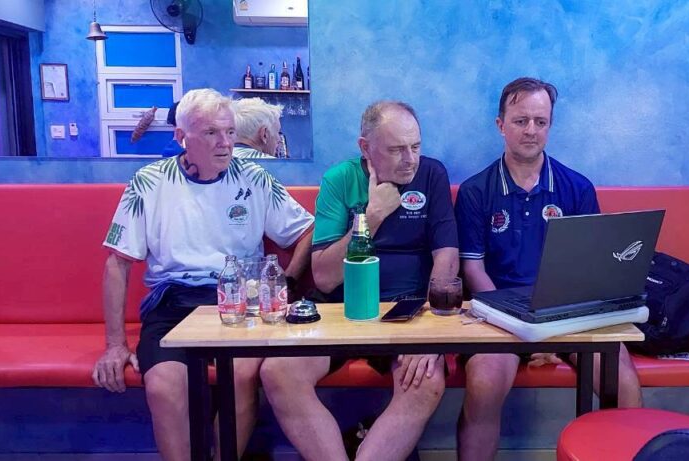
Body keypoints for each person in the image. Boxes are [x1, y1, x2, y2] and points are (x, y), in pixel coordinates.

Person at [91, 88, 314, 460]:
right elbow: (118, 262)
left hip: (241, 302)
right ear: (181, 137)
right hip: (173, 303)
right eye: (211, 133)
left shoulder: (254, 177)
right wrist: (115, 345)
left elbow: (307, 230)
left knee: (242, 375)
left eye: (229, 131)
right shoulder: (149, 182)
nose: (225, 143)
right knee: (163, 386)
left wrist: (287, 283)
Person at [454, 77, 644, 460]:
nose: (531, 130)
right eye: (520, 120)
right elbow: (473, 270)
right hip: (498, 320)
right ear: (501, 125)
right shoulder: (476, 191)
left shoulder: (577, 188)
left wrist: (551, 331)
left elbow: (591, 270)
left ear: (550, 126)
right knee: (484, 385)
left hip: (566, 316)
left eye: (540, 122)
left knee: (623, 383)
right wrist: (523, 327)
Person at [259, 100, 458, 461]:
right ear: (365, 148)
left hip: (407, 311)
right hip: (340, 308)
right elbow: (324, 276)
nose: (410, 159)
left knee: (426, 380)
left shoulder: (432, 174)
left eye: (415, 146)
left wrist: (432, 333)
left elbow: (446, 257)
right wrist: (371, 217)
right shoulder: (340, 179)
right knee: (278, 371)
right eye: (396, 150)